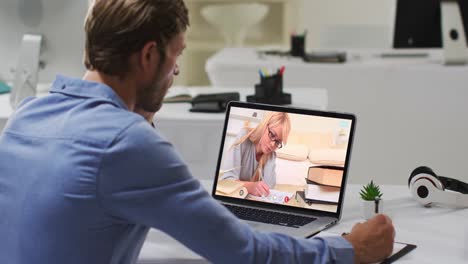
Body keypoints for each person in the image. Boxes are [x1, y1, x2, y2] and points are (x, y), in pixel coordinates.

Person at [0, 0, 395, 263]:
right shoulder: (127, 143)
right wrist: (349, 250)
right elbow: (243, 252)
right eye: (177, 56)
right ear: (149, 55)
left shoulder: (27, 115)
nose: (175, 72)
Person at [220, 112, 291, 196]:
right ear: (264, 125)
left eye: (277, 142)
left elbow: (269, 188)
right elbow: (227, 180)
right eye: (272, 134)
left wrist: (271, 156)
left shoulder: (271, 154)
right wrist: (250, 187)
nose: (273, 144)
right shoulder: (244, 136)